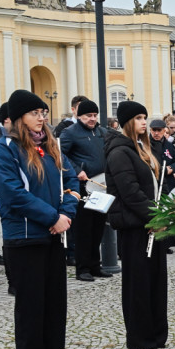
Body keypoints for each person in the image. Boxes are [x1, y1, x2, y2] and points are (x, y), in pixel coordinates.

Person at [0, 89, 78, 349]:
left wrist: (66, 213)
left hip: (53, 234)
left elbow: (71, 180)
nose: (41, 118)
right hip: (24, 237)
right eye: (34, 113)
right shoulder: (4, 150)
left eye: (43, 113)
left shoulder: (51, 146)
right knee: (31, 304)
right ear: (18, 118)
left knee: (54, 302)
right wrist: (53, 217)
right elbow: (14, 195)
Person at [105, 101, 169, 349]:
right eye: (139, 118)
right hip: (135, 227)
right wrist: (154, 217)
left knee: (155, 281)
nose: (144, 122)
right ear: (128, 122)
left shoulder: (142, 148)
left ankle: (156, 333)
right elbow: (130, 192)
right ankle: (140, 336)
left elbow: (150, 187)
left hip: (150, 222)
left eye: (145, 117)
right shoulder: (120, 151)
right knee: (139, 284)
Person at [59, 98, 110, 282]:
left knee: (98, 228)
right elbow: (59, 154)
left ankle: (95, 265)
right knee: (84, 230)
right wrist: (76, 169)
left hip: (100, 186)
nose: (93, 119)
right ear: (79, 115)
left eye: (95, 115)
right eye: (89, 115)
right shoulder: (70, 133)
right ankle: (82, 268)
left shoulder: (101, 132)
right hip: (82, 188)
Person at [148, 118, 175, 194]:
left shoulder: (169, 145)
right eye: (154, 130)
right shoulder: (146, 146)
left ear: (164, 130)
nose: (156, 133)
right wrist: (164, 170)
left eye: (159, 130)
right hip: (154, 185)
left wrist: (172, 168)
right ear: (150, 130)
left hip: (169, 185)